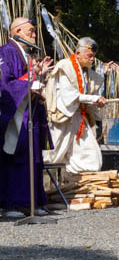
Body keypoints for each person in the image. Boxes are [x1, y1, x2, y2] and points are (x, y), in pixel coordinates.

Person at [0, 17, 53, 217]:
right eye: (29, 30)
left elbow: (30, 81)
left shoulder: (28, 55)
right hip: (16, 113)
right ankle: (10, 204)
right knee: (16, 156)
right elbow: (5, 83)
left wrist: (40, 75)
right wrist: (32, 78)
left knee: (34, 157)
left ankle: (32, 201)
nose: (33, 33)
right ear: (17, 32)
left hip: (31, 112)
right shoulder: (6, 52)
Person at [43, 37, 107, 174]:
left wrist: (97, 102)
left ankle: (82, 188)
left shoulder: (89, 74)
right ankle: (43, 190)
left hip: (80, 119)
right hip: (62, 118)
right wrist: (94, 98)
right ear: (78, 53)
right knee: (53, 156)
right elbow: (69, 96)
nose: (92, 59)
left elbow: (89, 95)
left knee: (91, 157)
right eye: (89, 55)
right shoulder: (65, 66)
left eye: (93, 56)